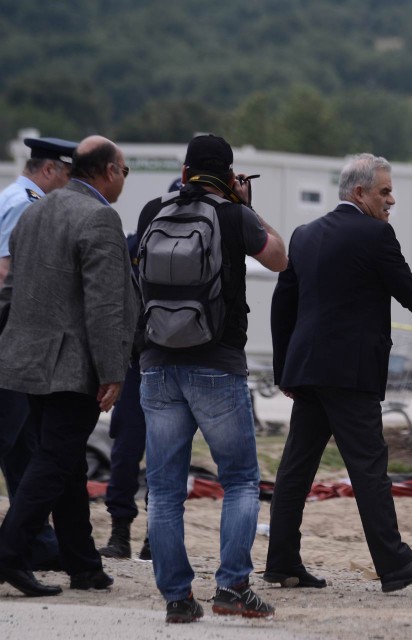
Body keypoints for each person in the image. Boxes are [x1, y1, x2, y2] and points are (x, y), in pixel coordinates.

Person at [267, 153, 412, 593]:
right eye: (384, 191)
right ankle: (395, 563)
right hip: (350, 373)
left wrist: (285, 371)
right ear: (359, 192)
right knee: (369, 467)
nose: (392, 200)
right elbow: (405, 285)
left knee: (295, 468)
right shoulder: (375, 234)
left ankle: (282, 562)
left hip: (308, 370)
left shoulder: (304, 235)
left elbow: (283, 305)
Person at [136, 134, 287, 623]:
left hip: (157, 364)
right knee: (240, 479)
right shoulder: (233, 215)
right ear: (228, 176)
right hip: (216, 364)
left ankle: (178, 599)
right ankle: (232, 586)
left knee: (164, 490)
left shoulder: (151, 212)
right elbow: (280, 258)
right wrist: (245, 204)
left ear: (184, 173)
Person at [0, 135, 137, 597]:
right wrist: (112, 370)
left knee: (67, 463)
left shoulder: (37, 210)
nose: (123, 179)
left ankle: (83, 565)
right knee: (53, 461)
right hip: (71, 366)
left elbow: (10, 291)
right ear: (108, 171)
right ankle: (9, 554)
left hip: (27, 361)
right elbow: (104, 304)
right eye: (123, 170)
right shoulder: (100, 216)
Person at [0, 136, 77, 573]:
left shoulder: (12, 197)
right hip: (12, 340)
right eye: (67, 176)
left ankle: (38, 542)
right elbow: (6, 272)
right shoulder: (26, 206)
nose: (69, 187)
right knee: (12, 438)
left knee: (23, 444)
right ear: (49, 170)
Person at [98, 233, 151, 562]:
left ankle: (152, 534)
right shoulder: (132, 244)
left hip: (156, 361)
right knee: (128, 450)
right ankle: (123, 533)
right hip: (139, 360)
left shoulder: (135, 241)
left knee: (159, 451)